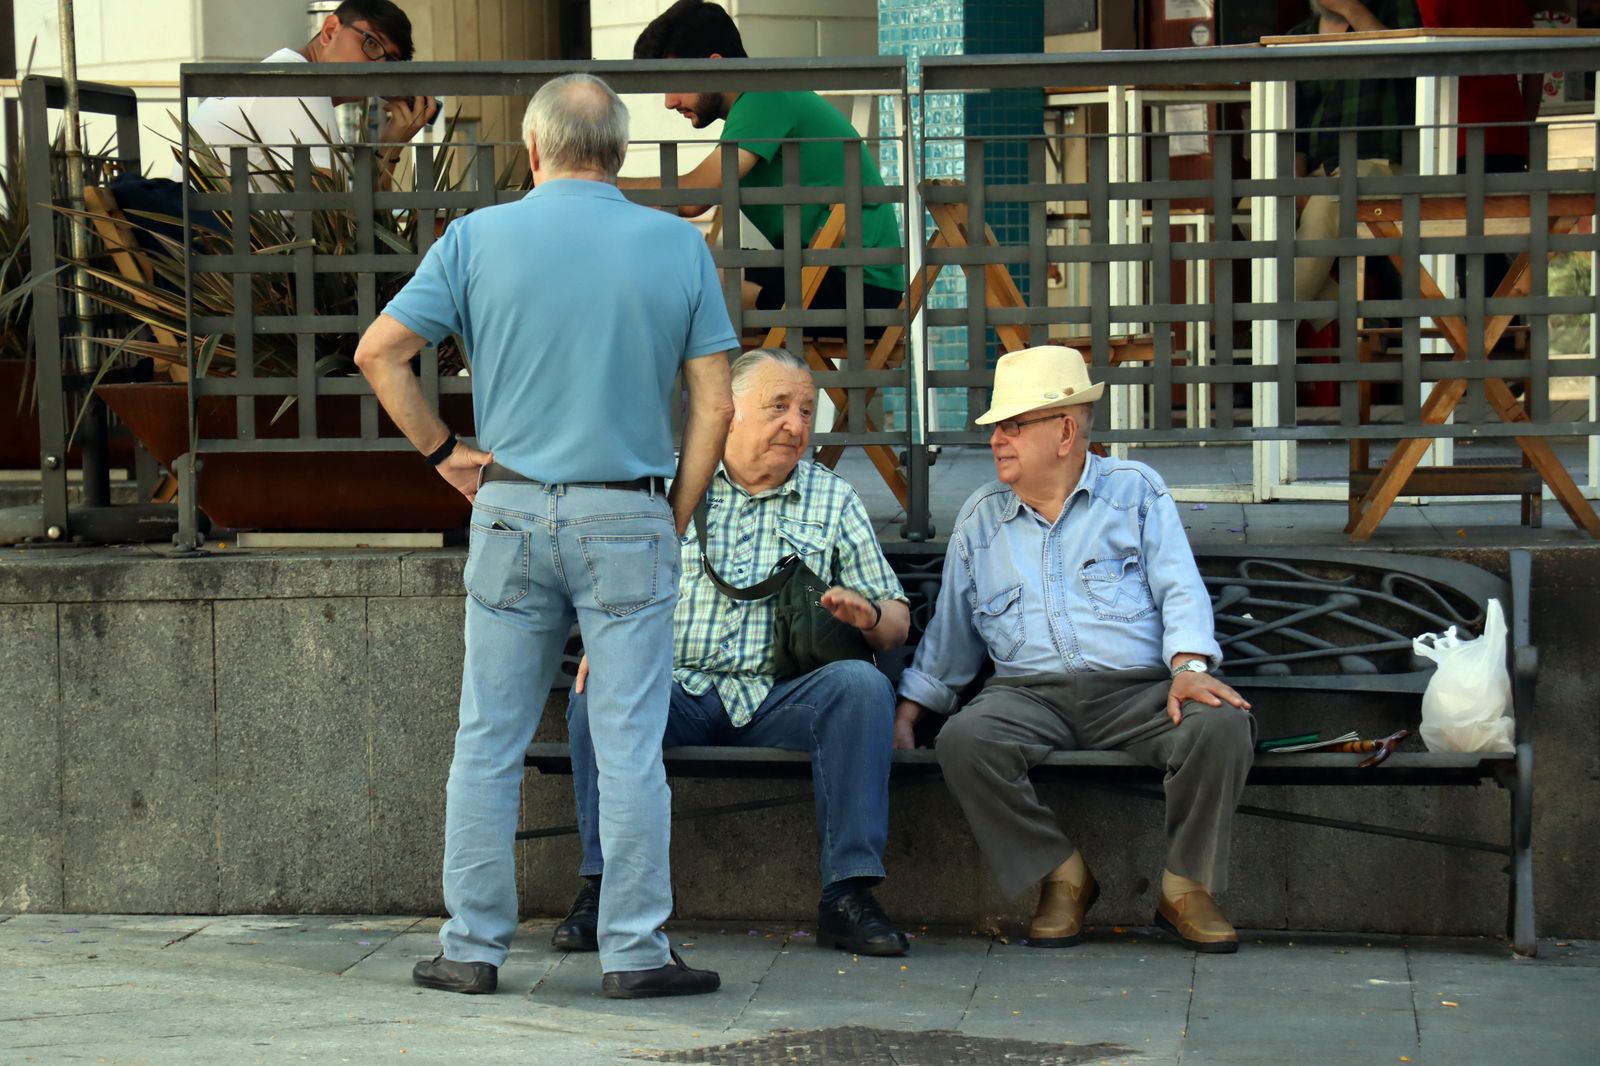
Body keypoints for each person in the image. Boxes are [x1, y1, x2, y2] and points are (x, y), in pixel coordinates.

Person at [354, 73, 736, 999]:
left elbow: (380, 353)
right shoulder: (676, 246)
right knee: (630, 740)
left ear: (534, 150)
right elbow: (716, 404)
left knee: (487, 737)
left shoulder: (478, 238)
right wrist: (669, 516)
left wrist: (447, 450)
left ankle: (471, 949)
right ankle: (637, 953)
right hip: (627, 507)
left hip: (512, 504)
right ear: (620, 154)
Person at [892, 346, 1256, 954]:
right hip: (1027, 695)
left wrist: (1189, 667)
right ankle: (1062, 875)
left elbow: (1179, 586)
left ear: (1063, 431)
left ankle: (1185, 887)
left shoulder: (1134, 492)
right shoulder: (982, 517)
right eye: (996, 428)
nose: (997, 441)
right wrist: (911, 711)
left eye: (1013, 425)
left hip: (1138, 691)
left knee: (1221, 726)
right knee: (963, 741)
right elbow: (951, 632)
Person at [555, 347, 915, 957]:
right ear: (725, 413)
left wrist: (869, 615)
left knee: (860, 686)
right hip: (676, 688)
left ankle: (848, 897)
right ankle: (604, 888)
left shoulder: (832, 500)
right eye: (779, 407)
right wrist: (606, 640)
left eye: (806, 411)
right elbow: (608, 583)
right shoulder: (665, 486)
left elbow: (898, 620)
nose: (797, 425)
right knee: (599, 695)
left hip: (782, 694)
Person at [624, 0, 905, 319]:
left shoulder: (763, 96)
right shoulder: (756, 103)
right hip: (826, 278)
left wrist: (596, 183)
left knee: (678, 278)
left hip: (858, 291)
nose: (669, 102)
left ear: (715, 65)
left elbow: (692, 198)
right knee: (678, 268)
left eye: (675, 84)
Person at [171, 0, 437, 186]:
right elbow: (339, 223)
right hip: (225, 256)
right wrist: (388, 148)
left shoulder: (284, 75)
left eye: (390, 61)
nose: (378, 66)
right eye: (371, 44)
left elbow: (348, 224)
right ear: (330, 30)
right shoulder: (296, 84)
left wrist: (390, 145)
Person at [1290, 0, 1423, 326]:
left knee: (1324, 209)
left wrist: (1354, 11)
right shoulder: (1298, 36)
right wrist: (1293, 183)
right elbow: (1293, 121)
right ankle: (1344, 310)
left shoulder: (1394, 11)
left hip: (1380, 160)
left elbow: (1409, 67)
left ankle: (1268, 329)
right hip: (1321, 165)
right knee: (1254, 210)